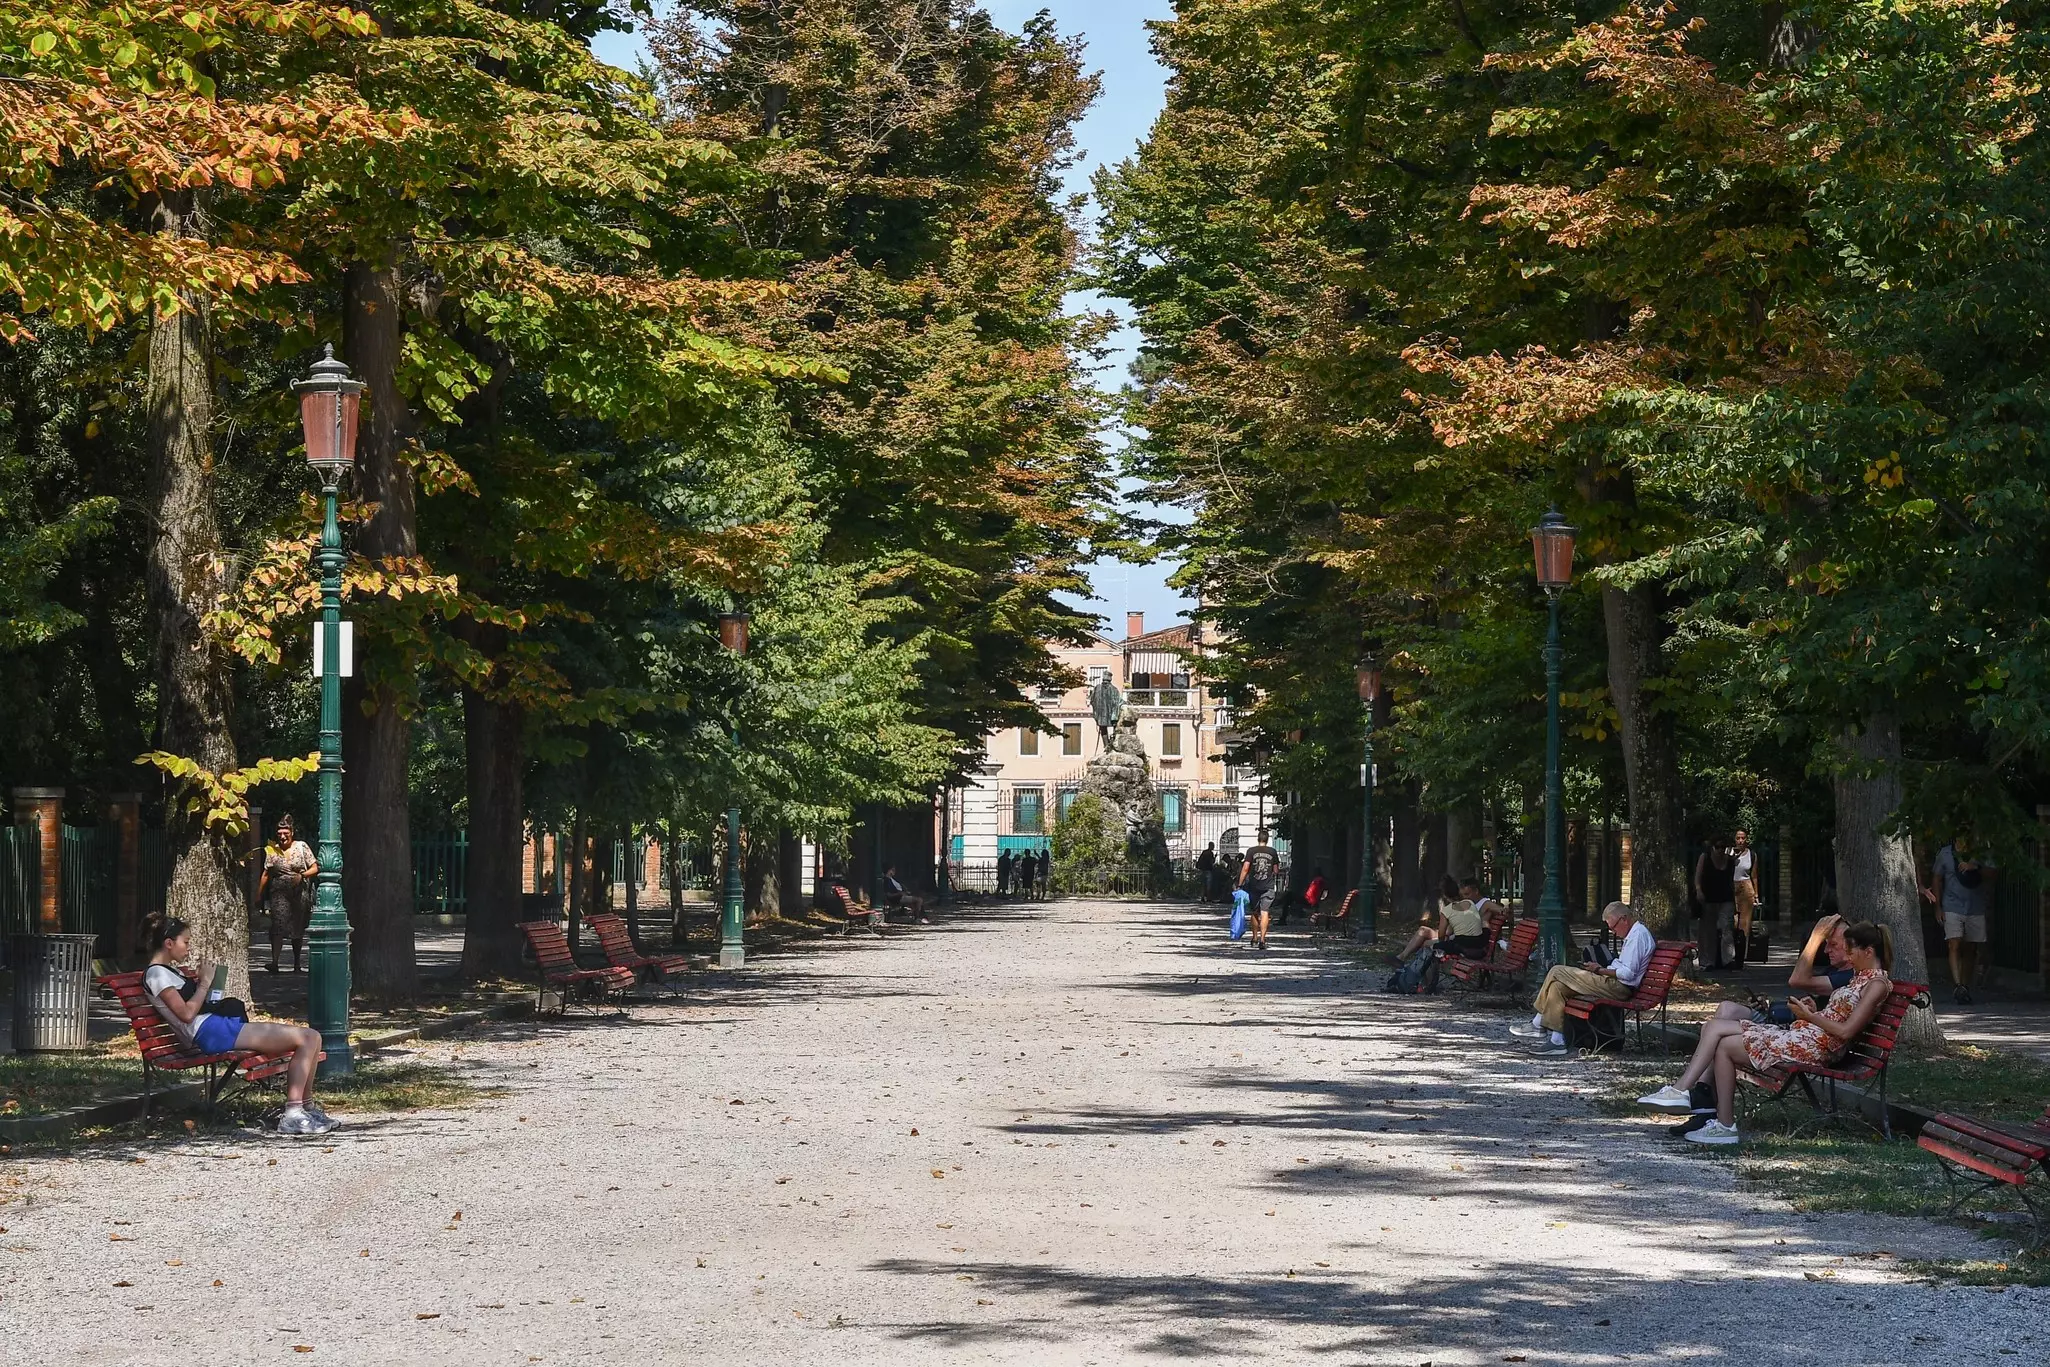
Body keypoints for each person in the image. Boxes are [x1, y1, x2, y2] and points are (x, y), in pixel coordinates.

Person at [1636, 921, 1894, 1145]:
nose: (1847, 957)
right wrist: (1815, 1012)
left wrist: (1811, 1017)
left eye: (1850, 951)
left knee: (1722, 1042)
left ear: (1868, 951)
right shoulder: (1860, 978)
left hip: (1813, 1046)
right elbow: (1840, 1014)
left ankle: (1712, 1116)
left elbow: (1848, 1031)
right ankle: (1691, 1098)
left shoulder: (1877, 984)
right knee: (1712, 1028)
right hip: (1804, 1036)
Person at [143, 917, 334, 1135]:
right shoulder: (156, 974)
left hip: (216, 1026)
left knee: (313, 1037)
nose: (188, 948)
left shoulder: (169, 972)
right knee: (307, 1038)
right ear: (169, 943)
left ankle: (305, 1108)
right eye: (185, 942)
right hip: (209, 1031)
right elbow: (186, 1014)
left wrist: (206, 984)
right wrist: (204, 983)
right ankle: (292, 1114)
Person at [1511, 901, 1654, 1050]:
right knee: (1558, 986)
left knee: (1557, 971)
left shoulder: (1638, 936)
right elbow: (1624, 967)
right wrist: (1599, 968)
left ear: (1624, 919)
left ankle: (1537, 1024)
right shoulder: (1634, 934)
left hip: (1620, 987)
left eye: (1613, 927)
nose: (1613, 932)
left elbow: (1628, 974)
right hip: (1614, 983)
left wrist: (1599, 971)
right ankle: (1557, 1041)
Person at [1929, 834, 1996, 1003]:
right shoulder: (1945, 854)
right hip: (1952, 905)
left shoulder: (1981, 854)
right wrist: (1938, 907)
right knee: (1954, 943)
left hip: (1975, 906)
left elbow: (1993, 873)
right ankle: (1958, 985)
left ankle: (1965, 985)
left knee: (1971, 948)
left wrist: (1976, 867)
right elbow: (1936, 878)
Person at [257, 814, 318, 974]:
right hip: (279, 894)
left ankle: (297, 964)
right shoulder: (272, 850)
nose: (283, 837)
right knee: (277, 926)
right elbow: (266, 873)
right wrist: (258, 895)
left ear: (292, 833)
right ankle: (275, 962)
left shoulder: (301, 846)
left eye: (286, 833)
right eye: (280, 834)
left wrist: (302, 875)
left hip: (299, 894)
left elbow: (315, 867)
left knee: (297, 927)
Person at [1396, 875, 1487, 963]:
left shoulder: (1449, 910)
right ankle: (1402, 957)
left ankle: (1417, 969)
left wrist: (1441, 939)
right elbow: (1448, 931)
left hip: (1461, 944)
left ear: (1445, 896)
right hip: (1470, 943)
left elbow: (1443, 935)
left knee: (1426, 944)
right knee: (1423, 931)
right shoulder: (1469, 903)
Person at [1693, 837, 1738, 972]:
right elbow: (1698, 876)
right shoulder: (1705, 858)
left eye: (1723, 847)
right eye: (1717, 847)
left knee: (1727, 928)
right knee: (1708, 931)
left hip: (1726, 898)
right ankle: (1707, 962)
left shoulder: (1729, 862)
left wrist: (1734, 901)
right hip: (1709, 898)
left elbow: (1731, 881)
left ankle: (1728, 960)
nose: (1720, 850)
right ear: (1712, 847)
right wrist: (1698, 890)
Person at [1238, 829, 1282, 951]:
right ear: (1267, 840)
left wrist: (1240, 883)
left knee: (1254, 911)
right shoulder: (1272, 852)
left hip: (1254, 886)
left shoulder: (1251, 851)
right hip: (1267, 886)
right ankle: (1263, 939)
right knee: (1264, 912)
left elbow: (1246, 868)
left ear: (1258, 839)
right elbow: (1276, 870)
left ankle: (1254, 938)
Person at [1732, 828, 1760, 952]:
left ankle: (1742, 952)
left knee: (1745, 922)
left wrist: (1756, 894)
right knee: (1732, 921)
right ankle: (1730, 951)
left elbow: (1754, 875)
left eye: (1743, 838)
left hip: (1746, 886)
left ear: (1746, 839)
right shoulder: (1729, 853)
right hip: (1732, 886)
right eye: (1738, 838)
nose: (1740, 841)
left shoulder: (1752, 855)